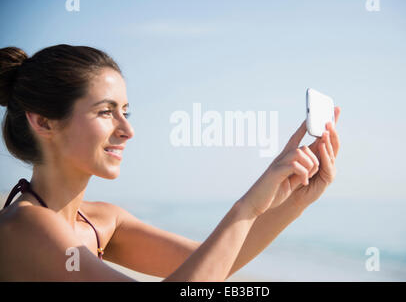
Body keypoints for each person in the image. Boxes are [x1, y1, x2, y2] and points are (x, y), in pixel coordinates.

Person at [0, 44, 341, 281]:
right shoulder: (25, 227)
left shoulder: (104, 220)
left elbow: (218, 262)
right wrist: (247, 206)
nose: (128, 130)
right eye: (106, 112)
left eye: (126, 112)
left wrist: (296, 200)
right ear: (43, 122)